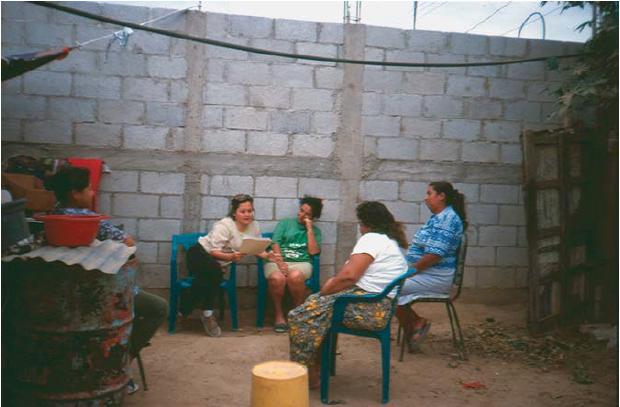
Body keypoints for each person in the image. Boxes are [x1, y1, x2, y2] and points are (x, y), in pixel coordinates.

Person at [45, 165, 168, 394]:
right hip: (99, 296)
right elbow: (129, 243)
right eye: (89, 189)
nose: (92, 194)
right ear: (75, 193)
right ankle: (117, 365)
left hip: (65, 299)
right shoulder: (90, 221)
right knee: (158, 308)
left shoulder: (52, 215)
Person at [288, 201, 408, 388]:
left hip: (370, 310)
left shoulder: (372, 239)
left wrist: (325, 291)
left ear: (366, 224)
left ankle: (304, 371)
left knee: (300, 315)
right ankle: (316, 367)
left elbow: (349, 277)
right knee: (315, 306)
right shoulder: (389, 241)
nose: (360, 227)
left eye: (360, 223)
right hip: (379, 306)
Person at [184, 194, 280, 337]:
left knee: (211, 274)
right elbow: (213, 251)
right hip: (199, 254)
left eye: (250, 210)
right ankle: (205, 314)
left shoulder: (254, 226)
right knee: (214, 272)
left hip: (215, 265)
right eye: (243, 211)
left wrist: (268, 256)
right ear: (234, 212)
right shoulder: (224, 225)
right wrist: (230, 257)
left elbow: (255, 248)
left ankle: (187, 307)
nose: (247, 214)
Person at [395, 181, 466, 352]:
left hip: (435, 277)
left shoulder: (448, 219)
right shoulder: (439, 218)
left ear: (441, 196)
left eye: (429, 194)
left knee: (388, 288)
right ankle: (413, 326)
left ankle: (415, 324)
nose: (426, 198)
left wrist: (410, 272)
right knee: (387, 284)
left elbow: (435, 255)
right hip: (426, 274)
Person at [265, 196, 323, 333]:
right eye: (301, 210)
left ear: (313, 217)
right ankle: (279, 315)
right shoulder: (285, 223)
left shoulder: (316, 232)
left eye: (307, 214)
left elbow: (313, 252)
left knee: (295, 276)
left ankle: (297, 313)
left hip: (301, 262)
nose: (301, 215)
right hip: (278, 260)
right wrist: (280, 262)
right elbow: (275, 242)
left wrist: (309, 230)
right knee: (277, 278)